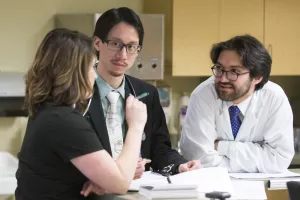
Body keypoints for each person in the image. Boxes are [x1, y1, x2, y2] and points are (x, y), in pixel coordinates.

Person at [15, 28, 148, 200]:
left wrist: (103, 176)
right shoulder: (64, 121)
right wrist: (136, 126)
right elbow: (121, 184)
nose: (95, 75)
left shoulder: (47, 112)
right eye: (92, 67)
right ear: (74, 72)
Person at [86, 6, 200, 182]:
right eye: (115, 44)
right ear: (97, 43)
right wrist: (119, 169)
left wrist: (178, 166)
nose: (122, 55)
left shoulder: (146, 94)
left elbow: (159, 149)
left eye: (131, 46)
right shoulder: (76, 93)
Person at [180, 35, 294, 173]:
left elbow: (279, 159)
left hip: (255, 191)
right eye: (219, 68)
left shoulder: (274, 98)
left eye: (234, 71)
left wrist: (221, 147)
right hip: (210, 189)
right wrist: (257, 155)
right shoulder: (203, 95)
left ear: (257, 77)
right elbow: (198, 158)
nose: (222, 78)